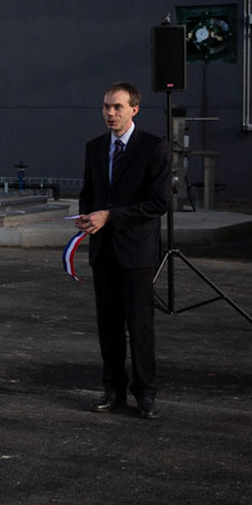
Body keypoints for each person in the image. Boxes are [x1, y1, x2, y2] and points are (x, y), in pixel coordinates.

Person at [75, 81, 172, 419]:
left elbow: (158, 203)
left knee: (140, 326)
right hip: (104, 253)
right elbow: (90, 191)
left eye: (117, 107)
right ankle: (112, 389)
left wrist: (110, 216)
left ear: (134, 109)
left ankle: (145, 393)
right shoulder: (95, 147)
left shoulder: (153, 149)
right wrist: (87, 216)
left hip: (137, 254)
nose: (110, 113)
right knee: (109, 325)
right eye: (105, 107)